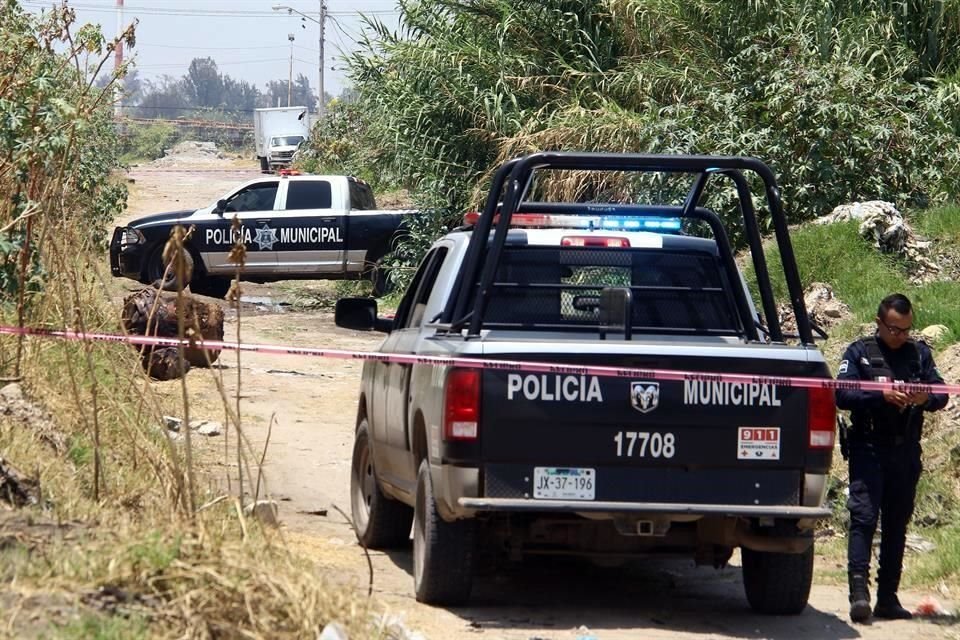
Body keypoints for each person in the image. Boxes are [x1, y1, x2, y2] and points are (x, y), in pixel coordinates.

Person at [836, 293, 949, 623]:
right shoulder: (860, 353)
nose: (900, 336)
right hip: (869, 447)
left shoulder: (919, 355)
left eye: (906, 330)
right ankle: (859, 594)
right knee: (864, 518)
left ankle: (888, 598)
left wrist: (925, 396)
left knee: (897, 524)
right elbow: (841, 393)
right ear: (879, 323)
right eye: (894, 329)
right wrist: (880, 394)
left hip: (905, 450)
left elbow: (941, 393)